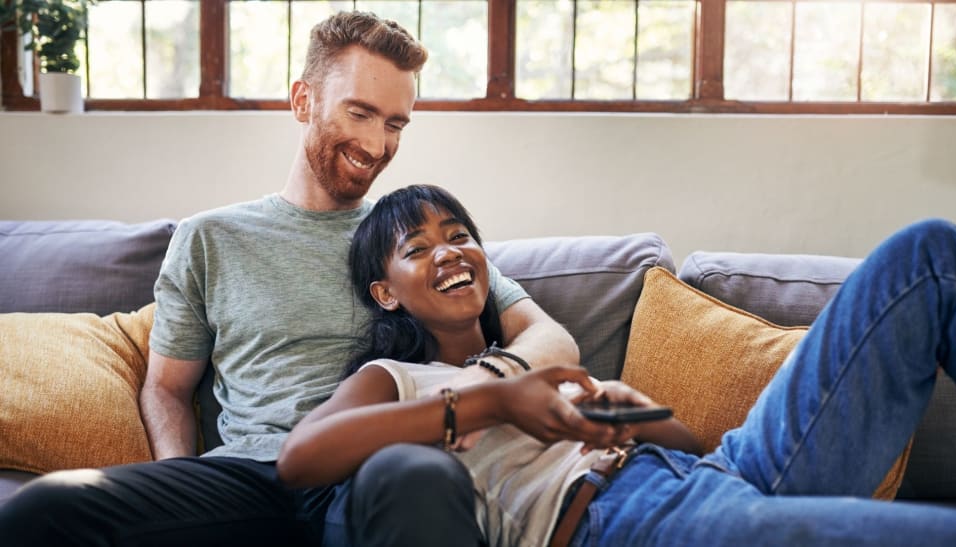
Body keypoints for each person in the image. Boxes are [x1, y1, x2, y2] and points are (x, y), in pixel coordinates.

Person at [0, 12, 612, 547]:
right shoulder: (210, 238)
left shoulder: (413, 240)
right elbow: (165, 389)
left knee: (419, 479)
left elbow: (552, 342)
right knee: (43, 508)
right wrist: (177, 478)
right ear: (303, 101)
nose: (377, 144)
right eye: (360, 113)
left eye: (396, 123)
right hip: (251, 477)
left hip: (375, 466)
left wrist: (471, 392)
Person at [278, 183, 956, 547]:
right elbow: (300, 458)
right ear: (385, 291)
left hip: (724, 472)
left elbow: (687, 447)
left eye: (460, 237)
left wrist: (624, 412)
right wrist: (490, 403)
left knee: (927, 257)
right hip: (623, 518)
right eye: (418, 247)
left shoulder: (527, 354)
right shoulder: (395, 380)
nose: (450, 252)